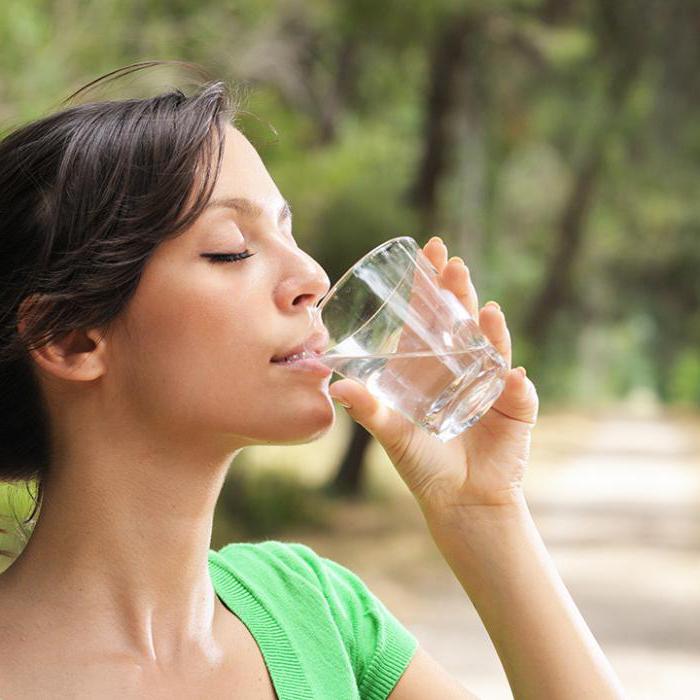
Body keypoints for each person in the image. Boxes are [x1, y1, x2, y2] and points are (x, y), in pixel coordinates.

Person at [0, 61, 625, 699]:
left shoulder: (312, 611)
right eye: (231, 249)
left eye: (288, 232)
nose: (313, 276)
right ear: (70, 338)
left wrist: (484, 513)